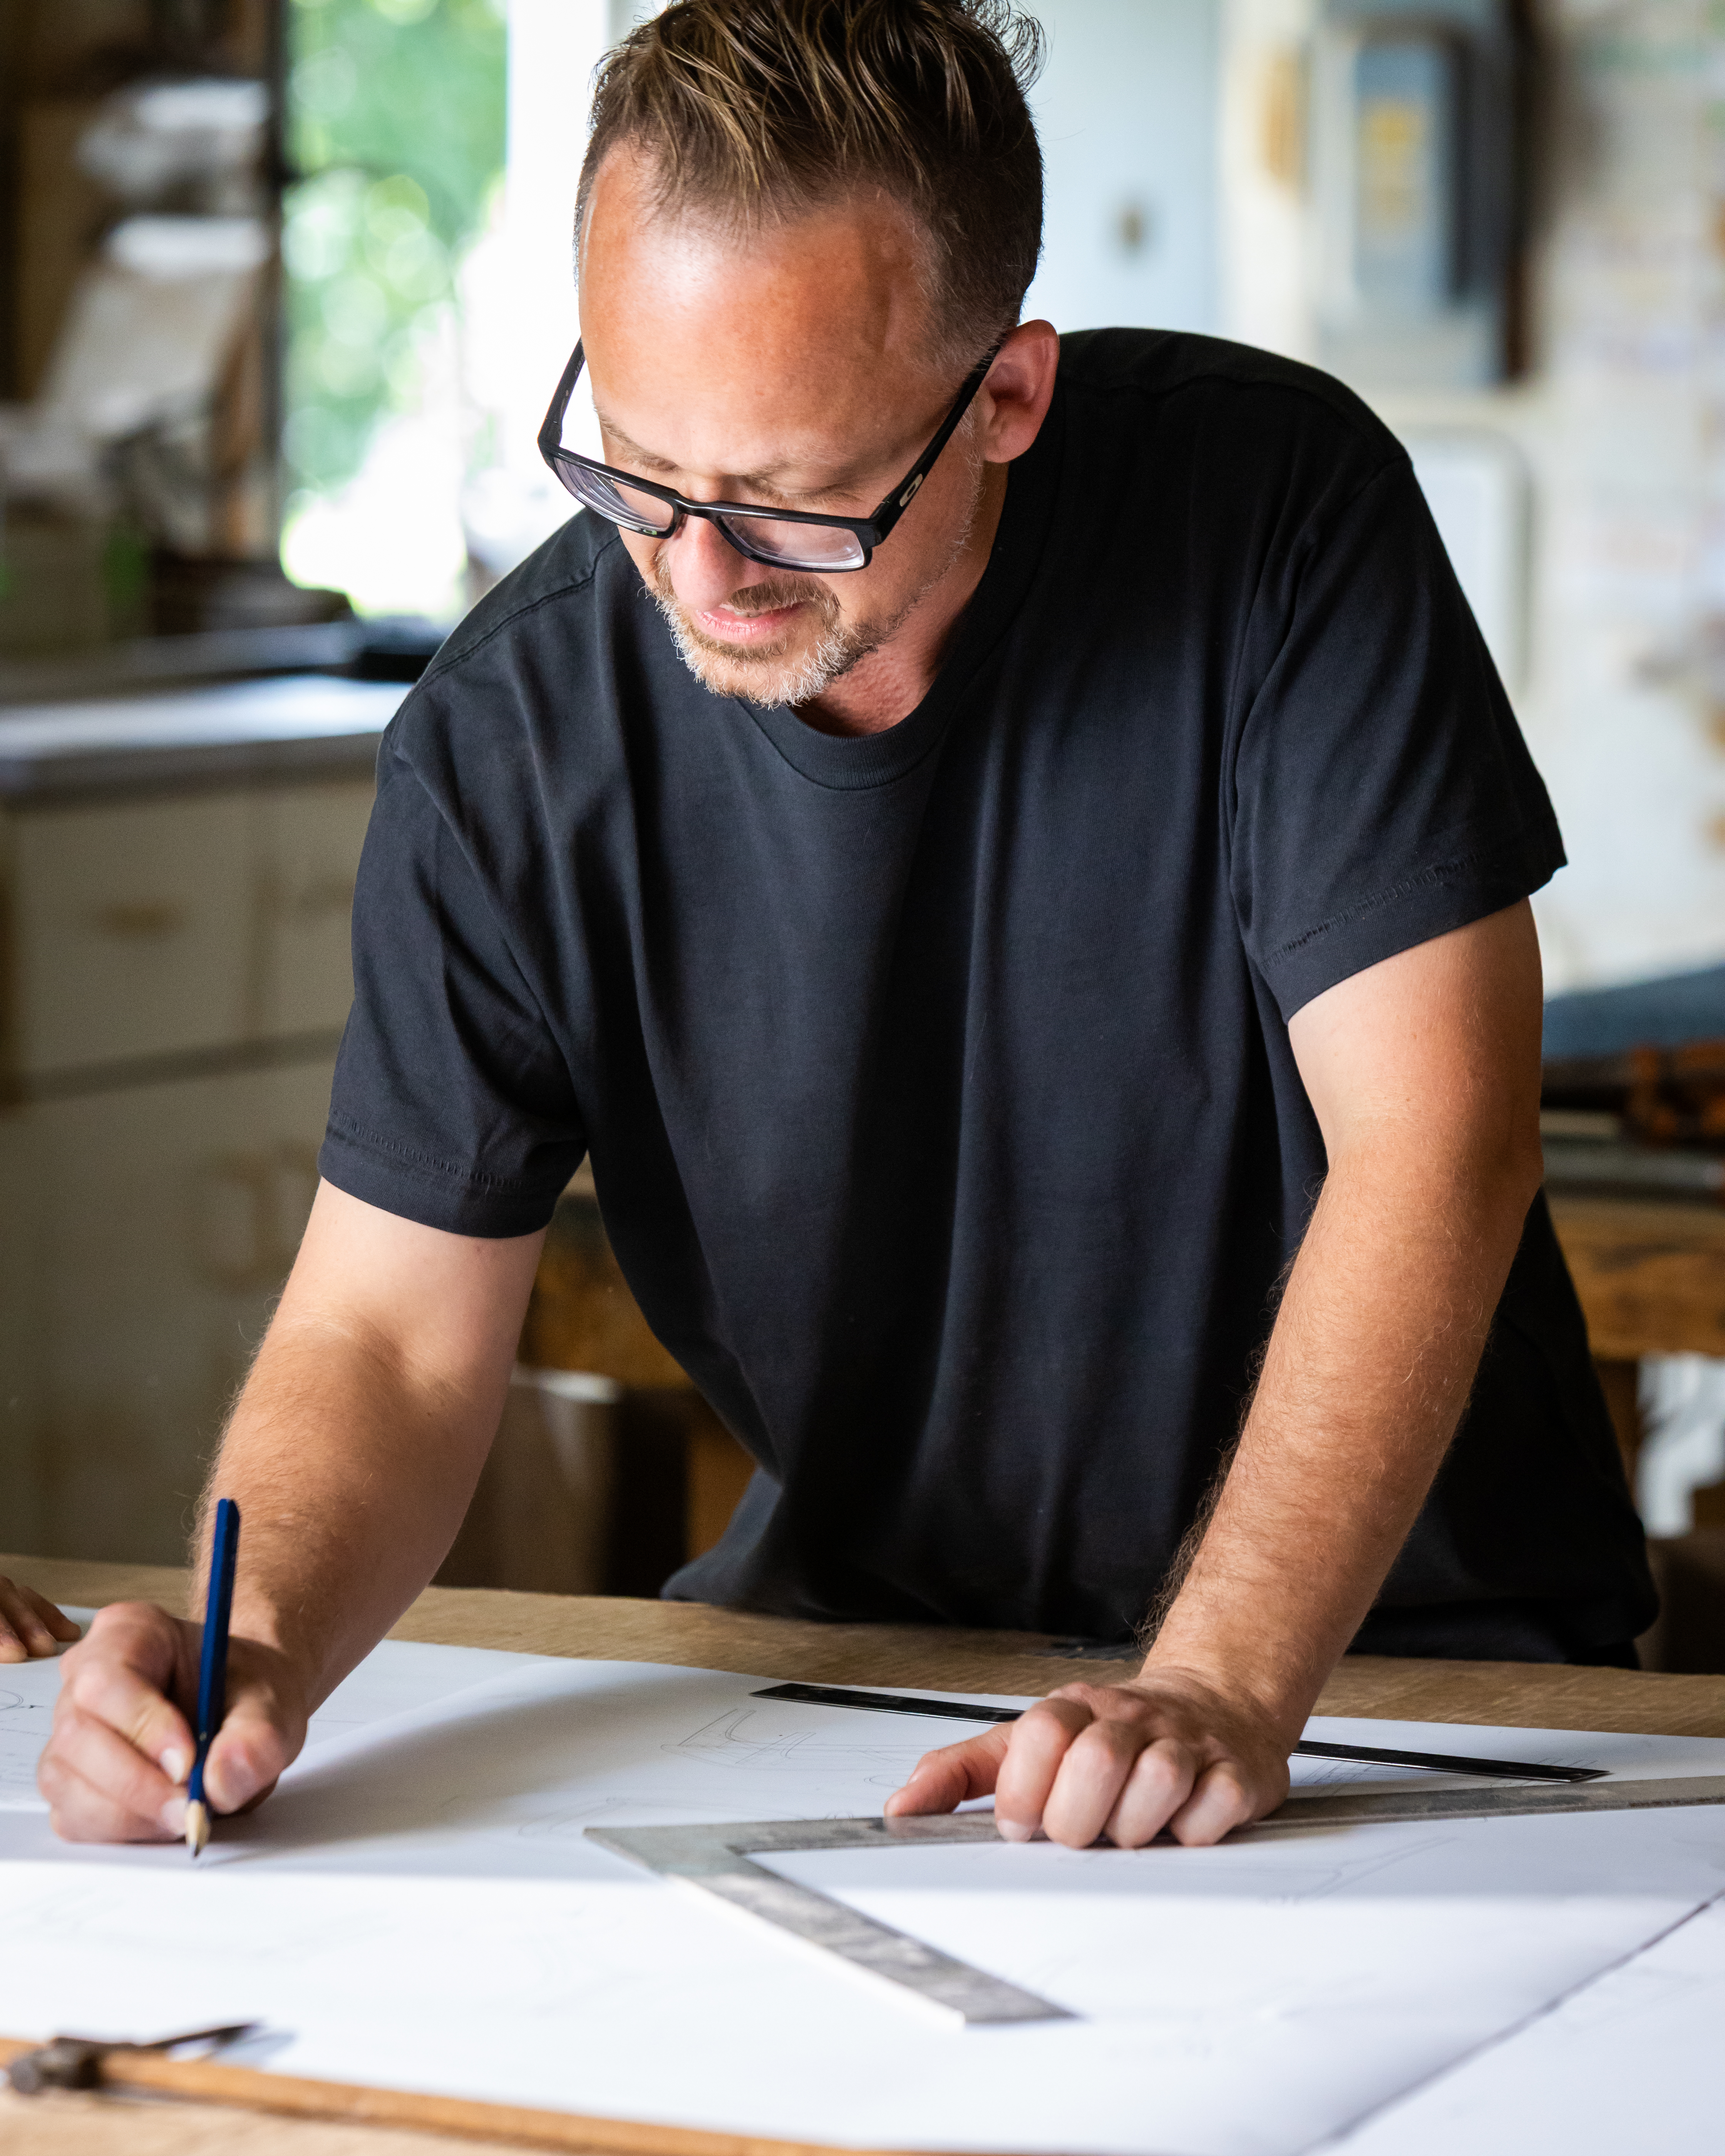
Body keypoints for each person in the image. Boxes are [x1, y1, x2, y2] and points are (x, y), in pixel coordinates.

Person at [31, 0, 1652, 1856]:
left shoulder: (1274, 515)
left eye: (793, 502)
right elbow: (393, 1337)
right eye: (634, 465)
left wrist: (1215, 1675)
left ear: (1010, 396)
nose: (695, 577)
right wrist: (264, 1650)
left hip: (1401, 1674)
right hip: (871, 1665)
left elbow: (1435, 1141)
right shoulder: (509, 740)